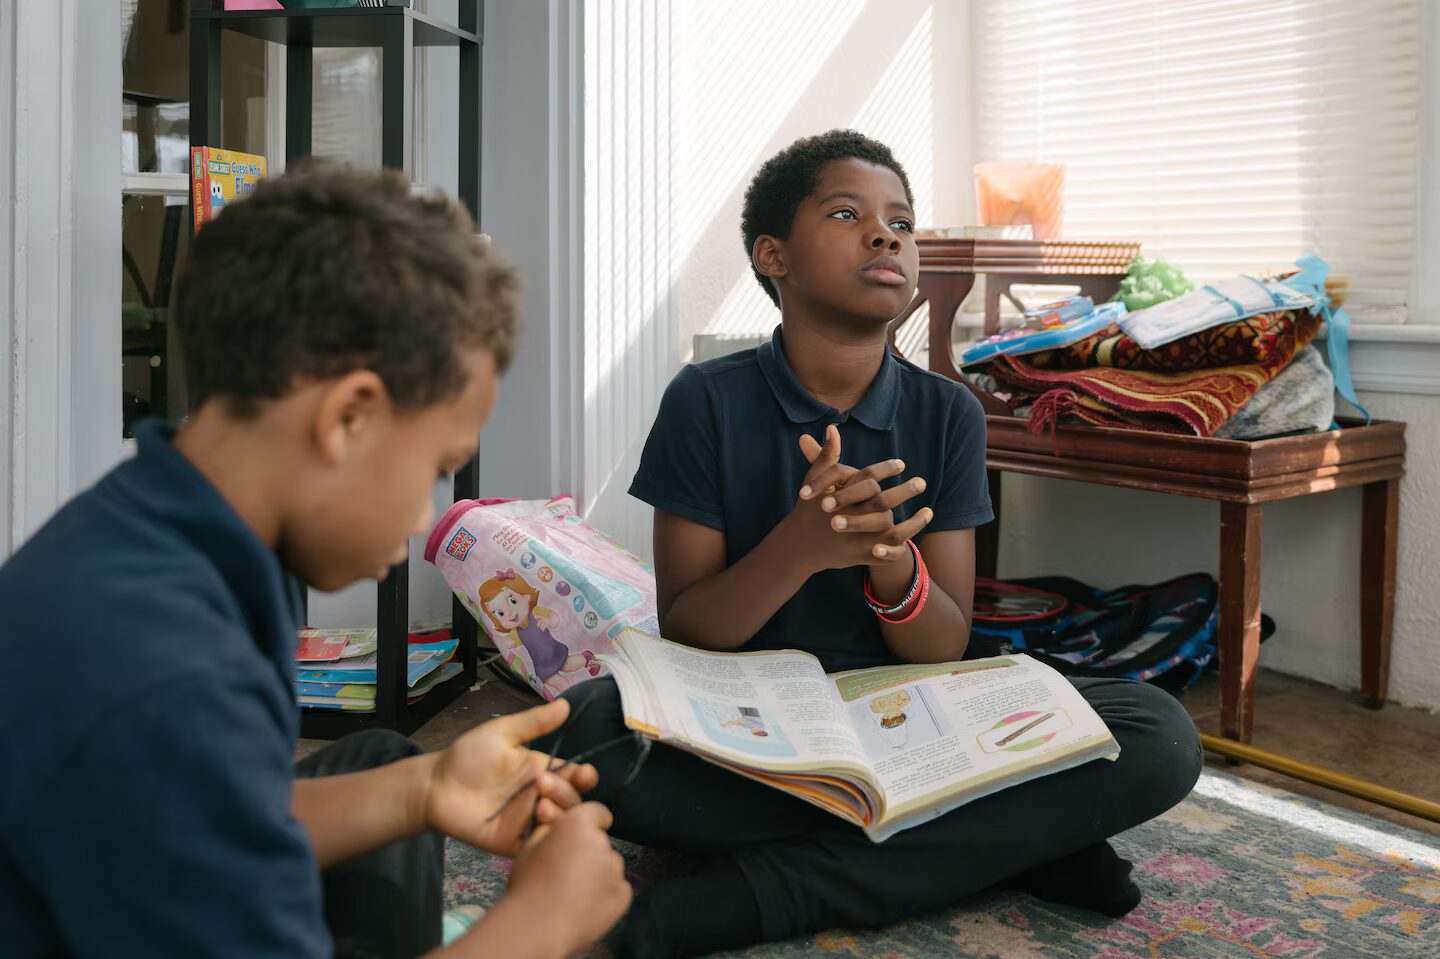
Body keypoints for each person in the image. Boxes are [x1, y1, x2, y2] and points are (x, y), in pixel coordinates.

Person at [539, 130, 1203, 958]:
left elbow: (944, 645)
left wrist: (892, 563)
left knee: (1155, 731)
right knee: (585, 732)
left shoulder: (947, 412)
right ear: (773, 255)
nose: (887, 235)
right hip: (747, 730)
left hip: (909, 721)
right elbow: (690, 630)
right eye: (849, 213)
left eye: (903, 221)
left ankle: (748, 895)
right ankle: (1006, 843)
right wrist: (802, 546)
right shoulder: (705, 399)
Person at [0, 163, 631, 958]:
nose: (422, 517)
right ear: (350, 417)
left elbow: (220, 809)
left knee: (386, 758)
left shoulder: (171, 528)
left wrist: (429, 789)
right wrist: (538, 925)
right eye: (436, 467)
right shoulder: (166, 675)